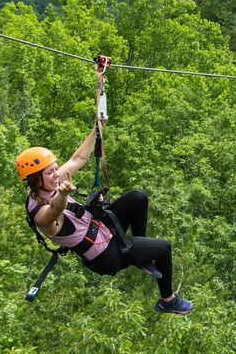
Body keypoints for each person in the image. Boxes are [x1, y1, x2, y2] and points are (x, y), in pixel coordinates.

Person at [15, 122, 193, 315]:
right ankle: (167, 300)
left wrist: (97, 128)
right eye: (50, 173)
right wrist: (63, 194)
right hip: (105, 254)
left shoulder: (51, 184)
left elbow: (78, 158)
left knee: (138, 197)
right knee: (163, 248)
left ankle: (142, 257)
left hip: (102, 226)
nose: (57, 175)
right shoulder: (41, 214)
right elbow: (54, 210)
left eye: (56, 169)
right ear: (35, 179)